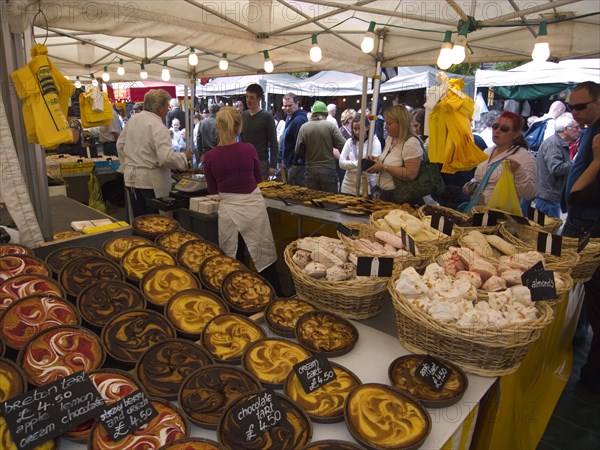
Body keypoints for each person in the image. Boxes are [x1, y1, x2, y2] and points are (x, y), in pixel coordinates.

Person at [203, 106, 281, 295]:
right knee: (263, 255)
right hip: (253, 207)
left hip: (229, 210)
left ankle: (236, 296)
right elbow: (258, 180)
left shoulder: (210, 157)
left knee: (233, 257)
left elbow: (213, 189)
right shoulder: (248, 149)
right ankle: (274, 294)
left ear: (218, 127)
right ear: (238, 128)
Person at [562, 81, 600, 394]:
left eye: (581, 106)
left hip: (589, 227)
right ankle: (573, 334)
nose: (575, 113)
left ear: (598, 102)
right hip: (581, 222)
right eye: (571, 107)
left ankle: (591, 374)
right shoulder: (589, 129)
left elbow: (577, 194)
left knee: (588, 288)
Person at [116, 89, 192, 217]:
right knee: (156, 223)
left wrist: (127, 165)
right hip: (150, 183)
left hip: (131, 179)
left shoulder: (132, 120)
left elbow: (120, 145)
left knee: (140, 221)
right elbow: (166, 158)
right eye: (166, 107)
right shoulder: (158, 126)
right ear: (158, 108)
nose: (168, 110)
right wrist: (184, 157)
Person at [462, 111, 536, 206]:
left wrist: (518, 171)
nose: (497, 131)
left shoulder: (524, 157)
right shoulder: (487, 152)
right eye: (495, 126)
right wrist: (471, 185)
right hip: (476, 211)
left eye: (504, 129)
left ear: (516, 134)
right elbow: (480, 179)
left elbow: (529, 194)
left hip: (502, 217)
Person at [365, 105, 423, 202]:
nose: (385, 127)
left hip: (399, 197)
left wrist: (384, 167)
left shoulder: (411, 143)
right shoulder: (390, 138)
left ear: (401, 123)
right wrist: (376, 160)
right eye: (385, 123)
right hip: (383, 193)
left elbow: (410, 174)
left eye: (389, 123)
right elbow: (391, 159)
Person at [295, 101, 346, 193]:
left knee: (313, 201)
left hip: (310, 170)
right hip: (328, 169)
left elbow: (298, 150)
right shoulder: (330, 126)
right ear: (325, 114)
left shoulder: (304, 127)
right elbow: (343, 144)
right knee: (330, 201)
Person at [534, 112, 578, 217]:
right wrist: (575, 164)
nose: (578, 130)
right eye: (575, 128)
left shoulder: (558, 143)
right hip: (548, 197)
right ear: (565, 129)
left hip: (549, 196)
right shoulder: (554, 144)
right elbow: (556, 168)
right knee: (548, 231)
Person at [241, 83, 278, 180]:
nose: (248, 100)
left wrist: (273, 165)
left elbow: (273, 142)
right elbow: (241, 139)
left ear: (258, 99)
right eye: (247, 97)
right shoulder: (243, 115)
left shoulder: (267, 117)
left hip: (261, 161)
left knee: (260, 189)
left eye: (252, 97)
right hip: (245, 160)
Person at [339, 113, 382, 195]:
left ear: (367, 127)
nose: (357, 132)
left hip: (366, 187)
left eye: (360, 128)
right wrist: (358, 163)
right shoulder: (349, 142)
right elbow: (341, 163)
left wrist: (349, 164)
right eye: (355, 129)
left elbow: (371, 165)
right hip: (347, 186)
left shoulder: (374, 142)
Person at [279, 92, 308, 186]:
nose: (287, 108)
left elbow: (300, 144)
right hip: (289, 163)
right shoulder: (289, 117)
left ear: (297, 103)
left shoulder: (299, 120)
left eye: (290, 105)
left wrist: (295, 164)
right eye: (285, 106)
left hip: (296, 166)